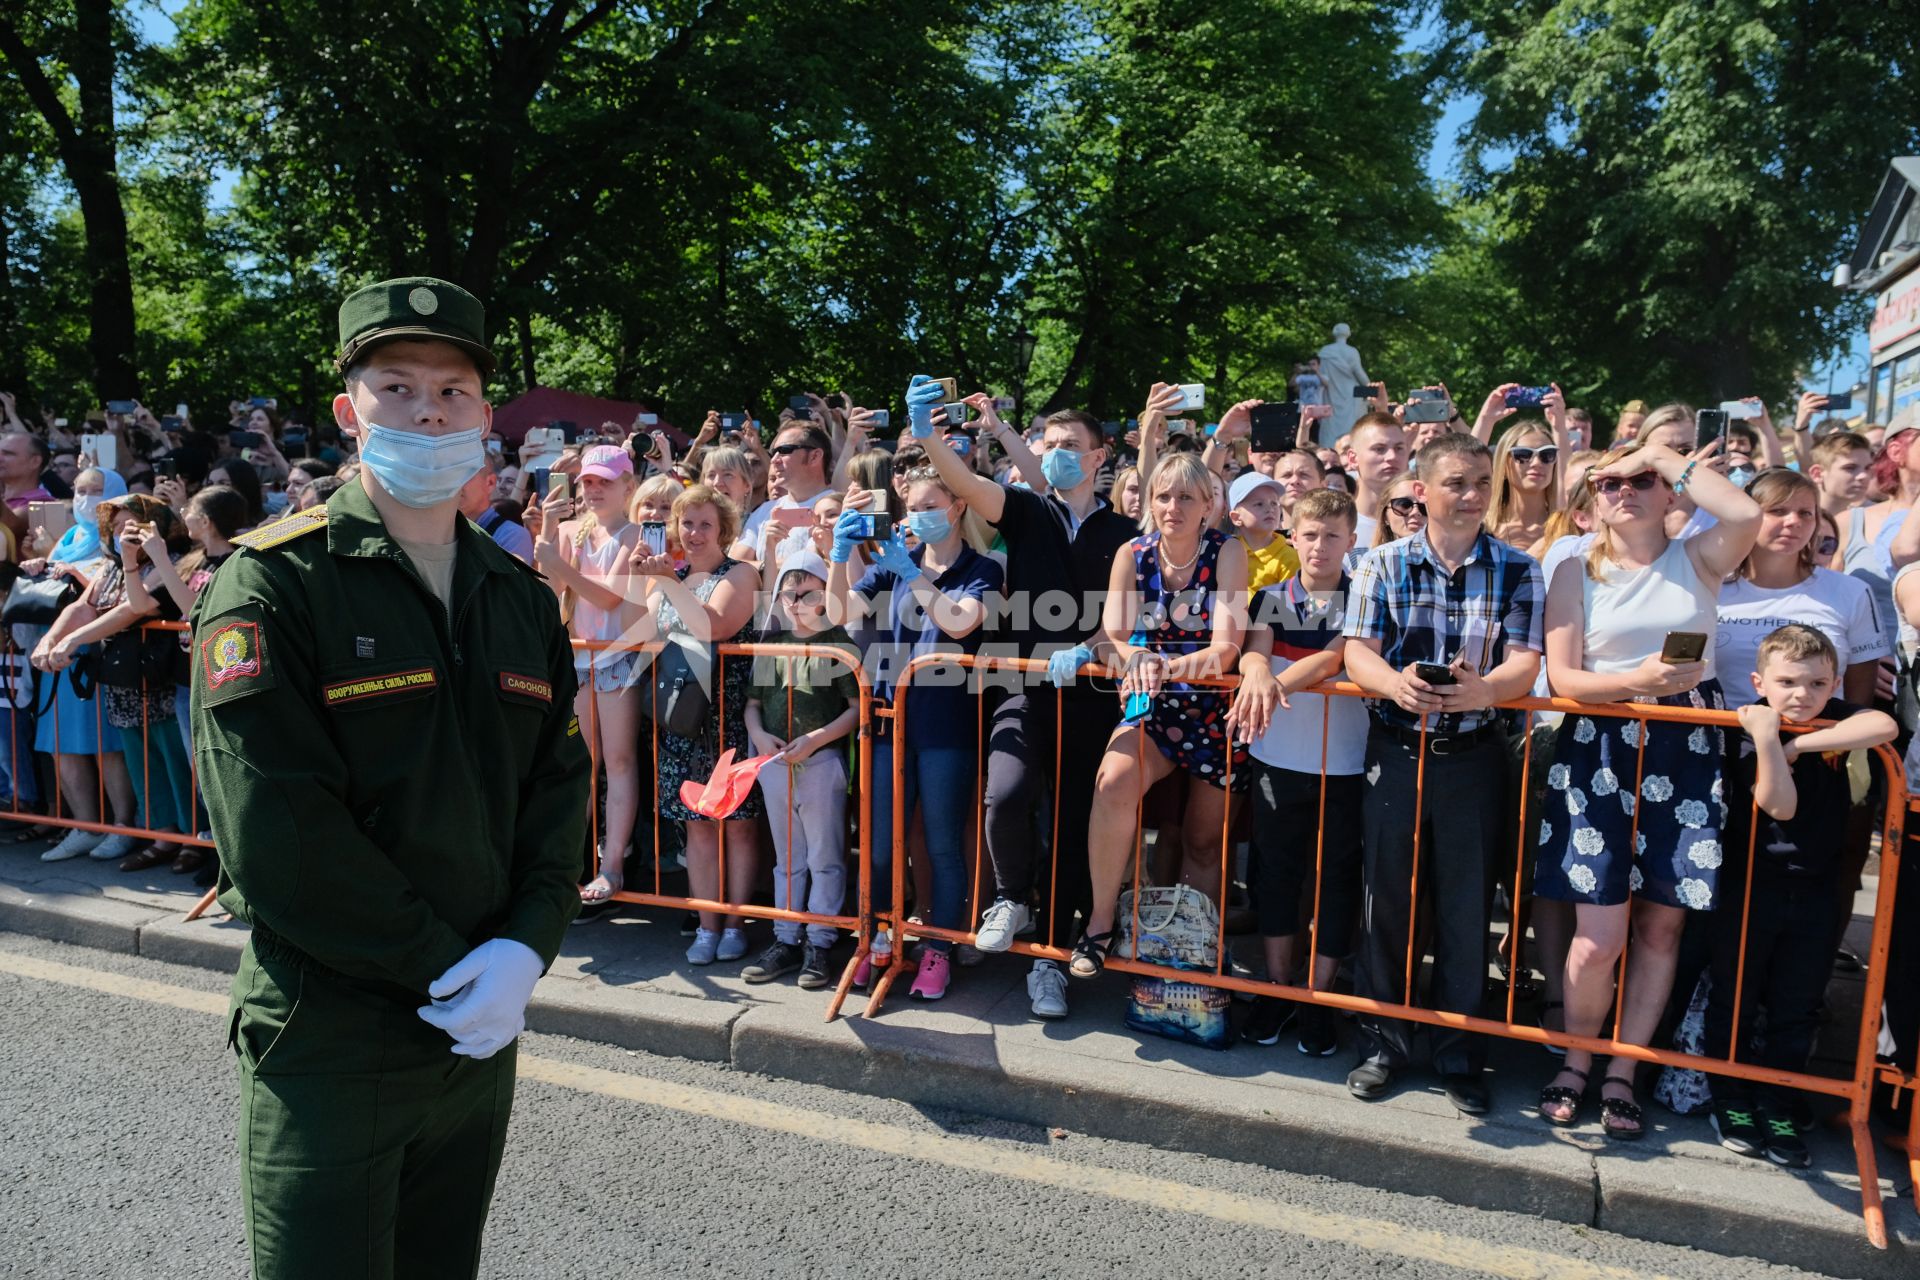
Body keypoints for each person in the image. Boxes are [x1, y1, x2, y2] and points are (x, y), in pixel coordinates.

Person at [192, 276, 591, 1279]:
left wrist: (525, 950)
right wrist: (450, 968)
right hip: (334, 1033)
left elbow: (556, 792)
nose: (428, 410)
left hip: (475, 1035)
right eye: (397, 386)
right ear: (347, 410)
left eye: (453, 391)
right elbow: (280, 832)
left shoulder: (518, 599)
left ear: (485, 415)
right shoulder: (275, 583)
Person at [1534, 439, 1760, 1140]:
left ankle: (1623, 1073)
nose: (1624, 490)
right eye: (1609, 482)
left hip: (1686, 748)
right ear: (1591, 497)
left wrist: (1663, 452)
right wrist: (1639, 684)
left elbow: (1747, 511)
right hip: (1601, 748)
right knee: (1598, 935)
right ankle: (1577, 1062)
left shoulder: (1696, 558)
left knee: (1661, 924)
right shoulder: (1574, 569)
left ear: (1668, 492)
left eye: (1642, 481)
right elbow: (1565, 680)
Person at [913, 382, 1137, 1020]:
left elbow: (1128, 613)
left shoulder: (1124, 531)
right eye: (1051, 443)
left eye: (1073, 445)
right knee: (1006, 795)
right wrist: (928, 433)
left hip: (1090, 692)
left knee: (1070, 824)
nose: (1059, 452)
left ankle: (1051, 961)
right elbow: (965, 481)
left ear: (1099, 458)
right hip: (1021, 683)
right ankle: (1012, 897)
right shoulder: (1025, 508)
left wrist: (1094, 642)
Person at [1341, 432, 1545, 1115]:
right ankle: (1384, 1045)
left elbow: (1525, 663)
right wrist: (1394, 685)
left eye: (1482, 482)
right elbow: (1357, 655)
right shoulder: (1382, 562)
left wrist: (1484, 690)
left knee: (1465, 911)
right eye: (1457, 482)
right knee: (1388, 905)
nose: (1473, 495)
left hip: (1475, 757)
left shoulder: (1519, 568)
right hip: (1396, 752)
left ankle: (1460, 1052)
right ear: (1422, 490)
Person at [1707, 625, 1896, 1166]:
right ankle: (1732, 1096)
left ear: (1834, 682)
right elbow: (1779, 805)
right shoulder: (1746, 731)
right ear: (1758, 682)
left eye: (1817, 683)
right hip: (1752, 888)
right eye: (1787, 681)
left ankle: (1778, 1101)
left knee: (1798, 1002)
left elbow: (1882, 722)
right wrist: (1768, 740)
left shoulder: (1832, 718)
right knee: (1736, 996)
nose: (1802, 695)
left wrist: (1797, 742)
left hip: (1815, 890)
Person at [826, 468, 1002, 1002]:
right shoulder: (889, 570)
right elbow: (836, 613)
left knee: (943, 844)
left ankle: (938, 950)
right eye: (910, 506)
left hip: (947, 723)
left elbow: (959, 623)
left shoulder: (983, 569)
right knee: (879, 846)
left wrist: (913, 573)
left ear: (956, 509)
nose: (917, 516)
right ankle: (877, 937)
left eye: (930, 505)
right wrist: (839, 555)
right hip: (887, 721)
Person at [1074, 453, 1250, 979]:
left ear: (1207, 506)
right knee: (1112, 783)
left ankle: (1195, 949)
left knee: (1203, 842)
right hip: (1152, 702)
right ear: (1150, 502)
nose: (1173, 507)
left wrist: (1162, 663)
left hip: (1214, 709)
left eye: (1186, 497)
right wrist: (1140, 660)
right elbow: (1113, 636)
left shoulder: (1228, 551)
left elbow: (1227, 647)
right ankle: (1100, 924)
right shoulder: (1133, 552)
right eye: (1164, 496)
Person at [1227, 489, 1365, 1055]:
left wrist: (1276, 682)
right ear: (1293, 536)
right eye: (1309, 534)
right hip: (1276, 758)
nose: (1319, 545)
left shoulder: (1364, 597)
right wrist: (1257, 667)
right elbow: (1253, 651)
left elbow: (1334, 656)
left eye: (1333, 535)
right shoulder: (1269, 596)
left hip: (1349, 765)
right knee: (1276, 877)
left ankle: (1320, 996)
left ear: (1352, 542)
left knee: (1336, 882)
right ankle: (1281, 990)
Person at [624, 483, 763, 965]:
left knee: (738, 825)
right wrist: (646, 576)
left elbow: (714, 625)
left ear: (723, 528)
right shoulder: (670, 574)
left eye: (705, 523)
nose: (695, 532)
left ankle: (736, 923)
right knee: (696, 824)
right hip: (681, 718)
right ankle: (706, 925)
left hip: (729, 716)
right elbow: (642, 627)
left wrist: (667, 582)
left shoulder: (741, 573)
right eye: (687, 522)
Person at [44, 494, 196, 871]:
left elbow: (136, 608)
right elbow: (83, 606)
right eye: (114, 528)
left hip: (158, 676)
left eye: (129, 525)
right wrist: (52, 638)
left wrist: (74, 640)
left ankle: (193, 837)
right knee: (140, 760)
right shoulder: (110, 565)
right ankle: (161, 834)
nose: (119, 533)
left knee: (174, 759)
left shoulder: (173, 560)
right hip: (122, 678)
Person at [741, 551, 861, 990]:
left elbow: (855, 709)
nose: (795, 601)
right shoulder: (773, 644)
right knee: (787, 856)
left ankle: (820, 939)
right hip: (774, 760)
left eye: (806, 592)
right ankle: (786, 937)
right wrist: (758, 735)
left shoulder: (838, 642)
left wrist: (815, 739)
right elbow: (753, 704)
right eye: (788, 593)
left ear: (824, 595)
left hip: (821, 761)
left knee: (825, 855)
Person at [535, 444, 643, 907]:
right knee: (582, 763)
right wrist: (548, 529)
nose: (594, 490)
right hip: (579, 659)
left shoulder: (636, 533)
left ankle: (613, 864)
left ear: (627, 486)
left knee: (617, 762)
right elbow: (550, 588)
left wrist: (558, 561)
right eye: (588, 482)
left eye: (604, 481)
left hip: (618, 658)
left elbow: (610, 598)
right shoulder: (574, 532)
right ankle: (573, 865)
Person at [25, 467, 139, 863]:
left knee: (105, 746)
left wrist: (74, 572)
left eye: (96, 490)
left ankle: (121, 827)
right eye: (79, 490)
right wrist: (40, 563)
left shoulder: (117, 539)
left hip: (98, 655)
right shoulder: (71, 537)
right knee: (61, 744)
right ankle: (84, 826)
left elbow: (113, 591)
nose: (85, 498)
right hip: (61, 655)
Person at [1714, 469, 1885, 708]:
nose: (1794, 521)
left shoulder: (1852, 591)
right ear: (1748, 516)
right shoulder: (1711, 587)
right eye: (1777, 511)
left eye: (1806, 513)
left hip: (1818, 741)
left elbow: (1859, 700)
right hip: (1726, 737)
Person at [1487, 393, 1570, 554]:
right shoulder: (1484, 526)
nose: (1537, 462)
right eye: (1523, 454)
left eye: (1547, 454)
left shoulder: (1566, 525)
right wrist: (1485, 418)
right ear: (1503, 463)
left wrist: (1559, 427)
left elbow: (1569, 477)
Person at [1343, 413, 1409, 546]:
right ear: (1352, 458)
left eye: (1399, 448)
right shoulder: (1336, 525)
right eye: (1379, 449)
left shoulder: (1424, 524)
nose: (1392, 456)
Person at [1227, 471, 1298, 590]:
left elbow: (1286, 606)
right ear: (1236, 517)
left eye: (1274, 503)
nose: (1270, 509)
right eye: (1259, 504)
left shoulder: (1289, 558)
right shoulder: (1227, 552)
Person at [457, 463, 532, 563]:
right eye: (449, 477)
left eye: (465, 476)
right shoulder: (442, 528)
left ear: (490, 482)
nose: (501, 486)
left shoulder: (512, 534)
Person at [1804, 429, 1873, 526]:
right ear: (1817, 474)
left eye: (1867, 468)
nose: (1864, 476)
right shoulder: (1795, 522)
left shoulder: (1868, 522)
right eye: (1850, 468)